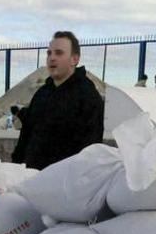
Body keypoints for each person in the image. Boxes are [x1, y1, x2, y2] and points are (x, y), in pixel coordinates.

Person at [11, 31, 104, 170]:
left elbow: (90, 148)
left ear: (75, 59)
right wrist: (16, 167)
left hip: (64, 182)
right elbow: (26, 136)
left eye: (59, 53)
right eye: (49, 53)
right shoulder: (42, 93)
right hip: (31, 178)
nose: (52, 58)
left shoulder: (88, 96)